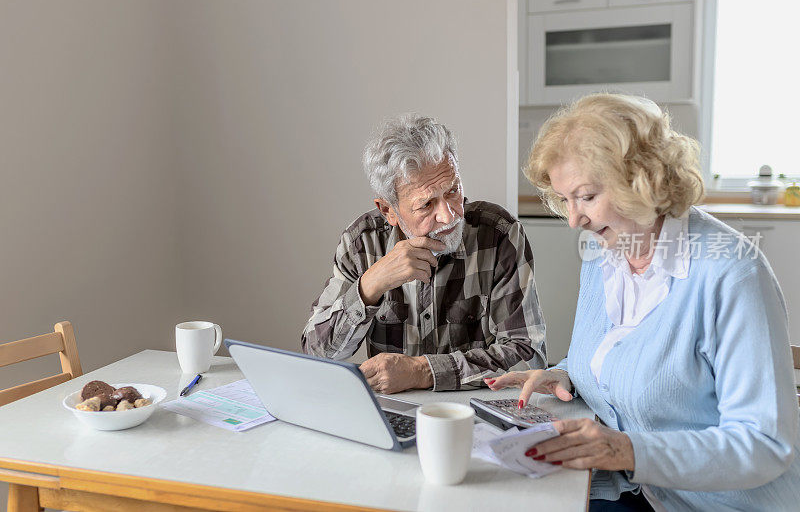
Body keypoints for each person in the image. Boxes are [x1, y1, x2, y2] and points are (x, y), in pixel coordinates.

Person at [487, 93, 800, 511]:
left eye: (586, 196)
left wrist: (629, 451)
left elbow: (764, 444)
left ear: (641, 179)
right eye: (565, 200)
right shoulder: (602, 252)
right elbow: (625, 353)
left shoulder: (733, 274)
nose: (574, 219)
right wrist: (566, 373)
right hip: (635, 492)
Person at [302, 114, 546, 393]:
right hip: (394, 413)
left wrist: (422, 372)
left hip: (472, 415)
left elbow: (528, 358)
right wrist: (370, 286)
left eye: (453, 190)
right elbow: (317, 354)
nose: (448, 215)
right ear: (388, 210)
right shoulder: (362, 244)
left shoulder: (499, 235)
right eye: (427, 204)